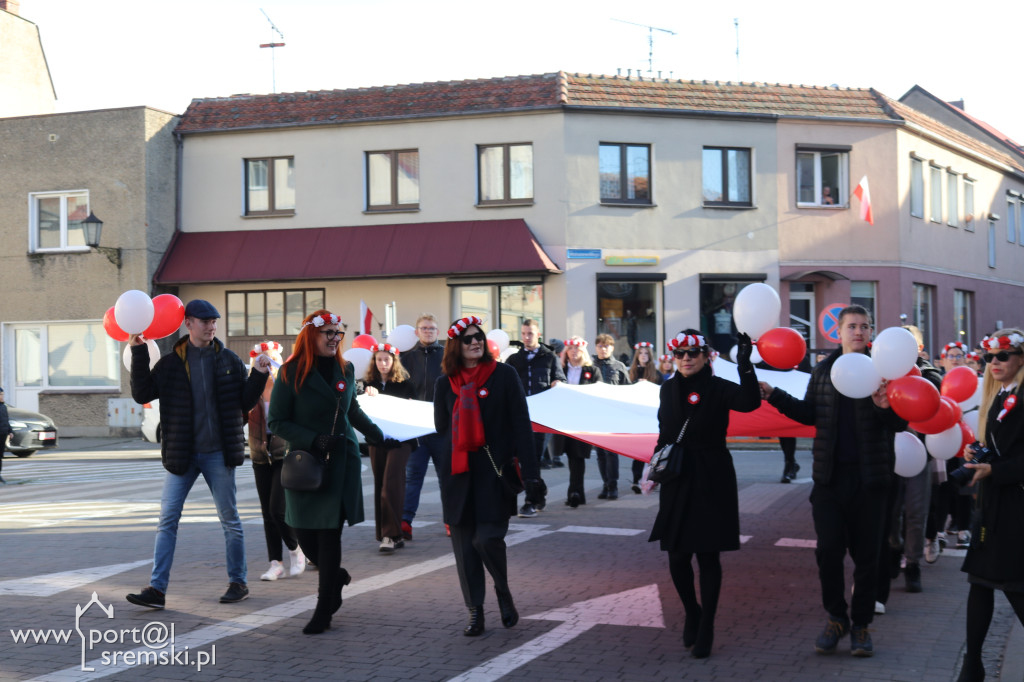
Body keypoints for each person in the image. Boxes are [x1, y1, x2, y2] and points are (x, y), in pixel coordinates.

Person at [760, 305, 907, 657]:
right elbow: (810, 414)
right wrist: (774, 394)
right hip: (829, 480)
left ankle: (861, 627)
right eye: (852, 326)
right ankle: (836, 618)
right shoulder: (823, 371)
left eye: (865, 326)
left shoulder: (884, 372)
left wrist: (885, 407)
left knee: (868, 558)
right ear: (837, 333)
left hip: (872, 482)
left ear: (871, 333)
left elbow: (900, 425)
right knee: (828, 552)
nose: (859, 332)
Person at [126, 299, 271, 610]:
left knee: (229, 519)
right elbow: (141, 394)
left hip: (218, 453)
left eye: (214, 320)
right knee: (167, 520)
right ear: (188, 323)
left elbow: (244, 402)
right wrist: (139, 351)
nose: (211, 326)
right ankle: (157, 589)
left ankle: (238, 582)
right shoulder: (170, 363)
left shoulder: (229, 360)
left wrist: (258, 375)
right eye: (204, 321)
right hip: (183, 454)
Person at [269, 310, 388, 634]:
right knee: (303, 534)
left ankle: (324, 608)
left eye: (339, 333)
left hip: (339, 462)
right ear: (311, 335)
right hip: (306, 463)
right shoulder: (290, 372)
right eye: (329, 333)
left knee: (329, 534)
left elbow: (352, 410)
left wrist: (378, 436)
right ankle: (335, 577)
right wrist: (311, 439)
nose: (335, 338)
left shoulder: (345, 369)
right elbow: (276, 421)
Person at [649, 330, 760, 659]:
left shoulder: (718, 387)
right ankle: (692, 611)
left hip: (712, 476)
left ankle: (707, 625)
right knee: (677, 556)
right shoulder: (667, 389)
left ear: (706, 356)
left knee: (708, 556)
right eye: (680, 353)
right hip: (677, 478)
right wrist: (651, 468)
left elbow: (750, 402)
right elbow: (664, 432)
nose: (686, 358)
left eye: (693, 353)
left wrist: (744, 363)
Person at [433, 316, 543, 636]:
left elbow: (522, 427)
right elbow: (441, 429)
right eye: (467, 340)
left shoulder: (504, 376)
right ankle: (475, 611)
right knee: (465, 549)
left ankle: (503, 591)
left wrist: (533, 477)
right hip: (458, 476)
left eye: (478, 337)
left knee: (487, 540)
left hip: (495, 473)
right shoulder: (445, 383)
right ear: (456, 345)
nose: (475, 343)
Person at [955, 329, 1024, 682]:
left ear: (1021, 358)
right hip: (994, 506)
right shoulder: (1000, 396)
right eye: (989, 357)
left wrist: (994, 469)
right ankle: (972, 666)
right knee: (980, 582)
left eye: (1003, 356)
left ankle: (973, 668)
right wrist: (976, 453)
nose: (994, 363)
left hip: (1015, 510)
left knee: (1013, 586)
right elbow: (999, 448)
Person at [247, 342, 305, 581]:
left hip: (284, 453)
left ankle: (296, 549)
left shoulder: (287, 385)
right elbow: (241, 409)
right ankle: (275, 562)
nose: (266, 363)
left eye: (270, 358)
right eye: (262, 359)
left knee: (277, 509)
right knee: (267, 513)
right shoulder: (253, 386)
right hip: (260, 454)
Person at [506, 318, 563, 516]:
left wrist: (557, 382)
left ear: (538, 334)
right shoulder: (514, 359)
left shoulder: (550, 357)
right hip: (519, 416)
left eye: (530, 333)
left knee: (533, 458)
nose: (526, 337)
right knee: (523, 459)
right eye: (523, 333)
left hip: (542, 417)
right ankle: (539, 491)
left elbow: (560, 380)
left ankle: (530, 501)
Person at [362, 342, 415, 552]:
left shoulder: (405, 384)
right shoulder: (367, 383)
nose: (383, 363)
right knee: (380, 486)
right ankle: (389, 533)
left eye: (387, 359)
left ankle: (390, 535)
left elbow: (412, 410)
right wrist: (366, 391)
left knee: (391, 485)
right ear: (374, 362)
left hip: (401, 441)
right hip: (377, 440)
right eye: (379, 359)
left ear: (394, 361)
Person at [401, 313, 445, 541]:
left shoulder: (447, 356)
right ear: (417, 332)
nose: (428, 331)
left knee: (446, 476)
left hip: (441, 427)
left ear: (438, 332)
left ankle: (451, 521)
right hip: (415, 427)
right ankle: (405, 521)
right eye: (424, 328)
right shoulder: (405, 357)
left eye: (432, 328)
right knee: (413, 475)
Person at [552, 337, 602, 507]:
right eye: (571, 348)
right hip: (563, 419)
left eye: (577, 348)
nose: (574, 351)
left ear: (583, 351)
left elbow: (598, 393)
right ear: (566, 351)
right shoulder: (561, 369)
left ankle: (574, 492)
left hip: (582, 419)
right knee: (570, 456)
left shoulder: (592, 370)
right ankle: (577, 493)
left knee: (577, 456)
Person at [593, 333, 630, 499]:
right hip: (595, 415)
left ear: (612, 347)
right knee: (600, 453)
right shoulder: (591, 365)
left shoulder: (619, 366)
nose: (603, 349)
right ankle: (605, 484)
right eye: (600, 346)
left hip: (612, 415)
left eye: (606, 346)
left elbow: (627, 389)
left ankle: (613, 485)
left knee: (610, 452)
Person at [628, 342, 663, 493]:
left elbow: (661, 393)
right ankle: (636, 479)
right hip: (636, 416)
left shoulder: (656, 374)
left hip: (652, 415)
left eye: (646, 353)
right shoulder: (631, 373)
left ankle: (653, 478)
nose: (643, 356)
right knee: (637, 450)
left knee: (654, 450)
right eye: (641, 353)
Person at [0, 387, 10, 484]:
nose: (2, 396)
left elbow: (7, 420)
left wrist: (10, 431)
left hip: (3, 434)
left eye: (3, 394)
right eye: (0, 395)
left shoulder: (3, 407)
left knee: (0, 456)